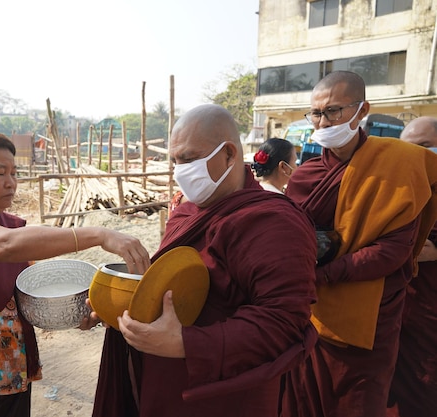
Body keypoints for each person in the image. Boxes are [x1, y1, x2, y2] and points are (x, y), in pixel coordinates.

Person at [91, 104, 319, 417]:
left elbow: (283, 322)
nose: (179, 171)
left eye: (188, 159)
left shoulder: (274, 222)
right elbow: (167, 289)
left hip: (226, 394)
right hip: (164, 382)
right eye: (174, 161)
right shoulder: (185, 213)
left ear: (228, 154)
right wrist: (112, 305)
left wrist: (186, 343)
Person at [0, 131, 151, 417]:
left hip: (9, 377)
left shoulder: (5, 224)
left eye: (14, 172)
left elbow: (27, 298)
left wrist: (77, 313)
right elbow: (5, 245)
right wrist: (98, 235)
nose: (11, 182)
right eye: (0, 173)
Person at [281, 71, 437, 417]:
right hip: (310, 315)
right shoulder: (306, 174)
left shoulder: (399, 165)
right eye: (316, 113)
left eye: (334, 111)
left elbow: (394, 249)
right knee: (304, 401)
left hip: (367, 321)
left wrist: (324, 275)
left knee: (358, 404)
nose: (323, 122)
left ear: (362, 109)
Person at [387, 116, 437, 417]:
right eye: (408, 148)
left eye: (425, 146)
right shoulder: (401, 190)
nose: (416, 155)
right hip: (400, 317)